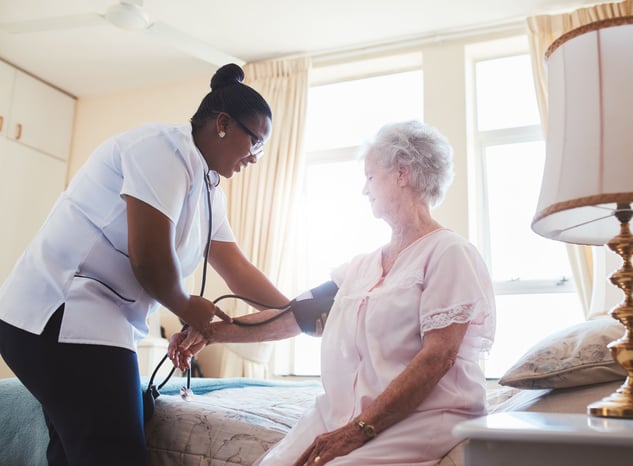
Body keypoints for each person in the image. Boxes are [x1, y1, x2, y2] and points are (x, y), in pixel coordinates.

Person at [0, 63, 289, 466]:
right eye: (255, 141)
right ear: (223, 124)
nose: (256, 157)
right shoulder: (162, 150)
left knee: (95, 441)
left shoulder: (208, 190)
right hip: (59, 313)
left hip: (97, 322)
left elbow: (237, 269)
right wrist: (189, 309)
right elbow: (150, 262)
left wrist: (294, 310)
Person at [170, 120, 497, 466]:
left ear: (402, 173)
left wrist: (358, 430)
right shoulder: (362, 267)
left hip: (423, 415)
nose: (364, 189)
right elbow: (294, 317)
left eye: (370, 176)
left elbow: (438, 357)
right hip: (347, 413)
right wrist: (210, 332)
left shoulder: (448, 252)